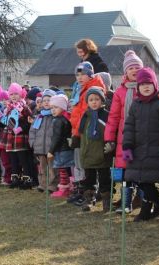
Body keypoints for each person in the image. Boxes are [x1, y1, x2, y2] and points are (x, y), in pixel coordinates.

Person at [123, 67, 159, 221]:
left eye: (149, 84)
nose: (146, 87)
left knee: (147, 181)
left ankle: (146, 210)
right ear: (138, 87)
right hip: (138, 150)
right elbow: (129, 127)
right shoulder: (135, 105)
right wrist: (127, 146)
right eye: (142, 84)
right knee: (140, 180)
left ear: (155, 85)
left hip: (157, 150)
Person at [104, 50, 144, 214]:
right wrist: (109, 138)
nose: (134, 70)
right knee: (126, 172)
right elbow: (113, 116)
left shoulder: (146, 88)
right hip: (123, 137)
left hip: (142, 136)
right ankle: (126, 203)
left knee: (142, 170)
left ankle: (143, 199)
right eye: (131, 68)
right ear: (125, 72)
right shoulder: (120, 92)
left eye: (137, 67)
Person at [68, 61, 105, 206]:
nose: (79, 77)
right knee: (82, 164)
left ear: (90, 74)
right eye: (77, 75)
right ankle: (85, 192)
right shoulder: (81, 89)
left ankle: (93, 194)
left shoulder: (94, 88)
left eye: (83, 74)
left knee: (91, 165)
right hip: (78, 131)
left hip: (88, 132)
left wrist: (78, 132)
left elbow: (87, 114)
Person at [79, 88, 112, 212]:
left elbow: (111, 131)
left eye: (97, 99)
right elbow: (81, 132)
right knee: (89, 179)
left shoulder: (106, 115)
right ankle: (89, 199)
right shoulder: (85, 116)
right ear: (87, 102)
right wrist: (75, 141)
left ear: (102, 101)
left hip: (102, 152)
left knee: (104, 178)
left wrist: (111, 144)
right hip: (88, 153)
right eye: (91, 100)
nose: (94, 102)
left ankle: (106, 201)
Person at [0, 83, 33, 189]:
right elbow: (6, 121)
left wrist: (21, 128)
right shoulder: (8, 108)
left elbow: (29, 121)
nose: (13, 96)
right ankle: (15, 179)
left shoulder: (24, 107)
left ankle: (27, 179)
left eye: (16, 94)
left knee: (23, 159)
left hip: (20, 137)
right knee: (12, 159)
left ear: (21, 94)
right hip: (10, 137)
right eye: (11, 94)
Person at [29, 89, 57, 193]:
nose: (46, 102)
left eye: (49, 100)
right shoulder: (39, 117)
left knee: (52, 169)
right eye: (44, 100)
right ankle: (42, 184)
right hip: (40, 147)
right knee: (42, 168)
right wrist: (32, 143)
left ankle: (52, 185)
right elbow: (32, 131)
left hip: (51, 148)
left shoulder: (55, 117)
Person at [47, 94, 74, 198]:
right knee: (69, 169)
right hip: (67, 148)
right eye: (52, 108)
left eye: (56, 107)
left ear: (62, 107)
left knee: (62, 169)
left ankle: (64, 188)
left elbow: (56, 137)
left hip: (61, 149)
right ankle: (71, 187)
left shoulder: (58, 121)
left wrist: (51, 151)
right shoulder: (66, 119)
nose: (53, 110)